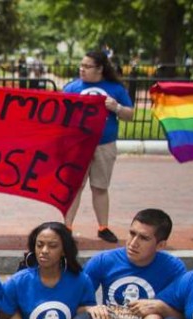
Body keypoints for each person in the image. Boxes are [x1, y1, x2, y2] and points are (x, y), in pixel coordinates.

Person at [62, 50, 134, 244]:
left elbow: (130, 114)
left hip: (104, 145)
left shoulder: (115, 89)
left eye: (87, 66)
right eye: (81, 65)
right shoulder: (71, 88)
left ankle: (103, 227)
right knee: (75, 187)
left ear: (100, 69)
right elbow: (59, 114)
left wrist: (116, 108)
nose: (82, 69)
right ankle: (66, 227)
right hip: (78, 145)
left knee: (100, 187)